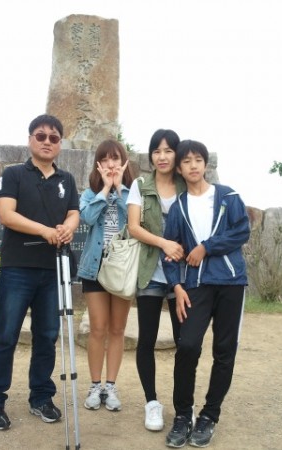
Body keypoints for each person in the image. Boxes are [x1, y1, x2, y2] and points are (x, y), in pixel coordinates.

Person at [0, 114, 80, 431]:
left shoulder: (67, 180)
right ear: (30, 140)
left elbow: (74, 212)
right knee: (6, 335)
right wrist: (45, 231)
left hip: (53, 270)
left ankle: (41, 397)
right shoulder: (13, 175)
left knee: (47, 337)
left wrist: (68, 227)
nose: (47, 141)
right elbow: (6, 215)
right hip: (17, 269)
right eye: (41, 135)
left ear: (60, 143)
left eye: (54, 137)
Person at [161, 139, 250, 448]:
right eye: (186, 161)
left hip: (230, 283)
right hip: (195, 286)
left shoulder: (228, 196)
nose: (193, 165)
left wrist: (206, 247)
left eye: (198, 159)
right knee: (187, 346)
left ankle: (209, 416)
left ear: (205, 164)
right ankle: (183, 415)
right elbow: (170, 252)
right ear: (179, 169)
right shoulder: (178, 207)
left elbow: (241, 232)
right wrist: (176, 286)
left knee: (224, 350)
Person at [126, 129, 186, 431]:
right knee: (147, 339)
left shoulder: (187, 184)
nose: (162, 157)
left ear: (177, 154)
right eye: (157, 151)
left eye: (168, 150)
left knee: (185, 342)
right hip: (150, 270)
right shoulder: (140, 185)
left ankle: (183, 405)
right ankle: (152, 402)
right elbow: (134, 227)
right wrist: (164, 243)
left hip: (183, 275)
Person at [76, 139, 135, 412]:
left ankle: (110, 386)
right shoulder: (90, 193)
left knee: (117, 329)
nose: (111, 164)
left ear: (124, 162)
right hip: (95, 267)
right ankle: (94, 385)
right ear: (98, 164)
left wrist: (120, 190)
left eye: (115, 158)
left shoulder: (132, 193)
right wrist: (105, 190)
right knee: (97, 328)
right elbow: (86, 219)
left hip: (122, 267)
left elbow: (136, 223)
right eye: (105, 159)